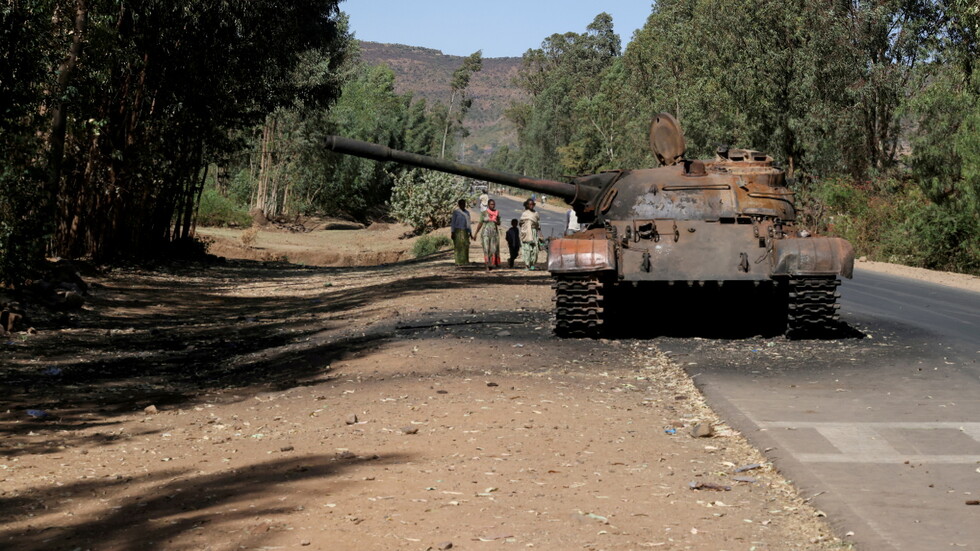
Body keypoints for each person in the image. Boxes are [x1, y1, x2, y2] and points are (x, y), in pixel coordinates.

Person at [473, 199, 502, 270]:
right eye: (491, 204)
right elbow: (480, 223)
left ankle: (491, 263)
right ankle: (486, 265)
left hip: (494, 233)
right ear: (488, 205)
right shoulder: (484, 213)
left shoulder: (497, 212)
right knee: (486, 249)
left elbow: (499, 223)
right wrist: (476, 233)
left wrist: (497, 218)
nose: (493, 205)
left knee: (493, 249)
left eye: (494, 204)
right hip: (485, 233)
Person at [519, 199, 541, 270]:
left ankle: (532, 264)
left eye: (532, 204)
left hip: (534, 233)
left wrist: (540, 234)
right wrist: (526, 227)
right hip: (527, 233)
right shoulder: (525, 213)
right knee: (527, 249)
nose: (531, 206)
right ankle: (527, 265)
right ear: (527, 205)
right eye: (530, 204)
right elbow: (520, 223)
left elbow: (538, 225)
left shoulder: (536, 213)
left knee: (535, 250)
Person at [450, 199, 473, 267]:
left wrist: (470, 233)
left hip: (465, 231)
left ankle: (465, 261)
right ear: (459, 205)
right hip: (457, 231)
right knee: (458, 246)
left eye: (464, 204)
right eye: (461, 204)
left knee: (465, 245)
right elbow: (453, 223)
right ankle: (458, 261)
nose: (463, 205)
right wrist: (452, 232)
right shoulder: (456, 212)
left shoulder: (467, 213)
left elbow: (468, 223)